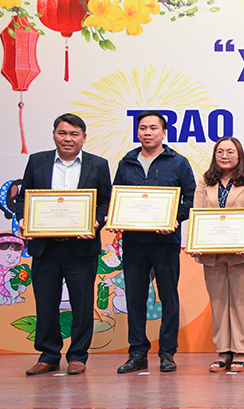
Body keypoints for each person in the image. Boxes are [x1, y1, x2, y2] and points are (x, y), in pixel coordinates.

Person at [15, 113, 112, 376]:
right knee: (46, 302)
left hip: (81, 247)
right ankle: (48, 355)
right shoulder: (37, 161)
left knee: (82, 303)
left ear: (84, 137)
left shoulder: (98, 164)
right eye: (62, 133)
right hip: (45, 246)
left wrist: (95, 222)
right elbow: (24, 198)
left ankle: (78, 356)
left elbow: (106, 201)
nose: (67, 139)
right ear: (54, 134)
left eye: (74, 134)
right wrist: (24, 218)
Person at [113, 110, 196, 374]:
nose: (147, 133)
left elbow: (191, 200)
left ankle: (167, 353)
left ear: (164, 132)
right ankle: (137, 352)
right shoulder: (126, 162)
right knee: (135, 297)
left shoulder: (178, 162)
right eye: (142, 128)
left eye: (153, 128)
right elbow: (117, 198)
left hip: (165, 241)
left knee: (168, 297)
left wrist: (174, 219)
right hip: (134, 241)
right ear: (137, 132)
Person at [193, 137, 244, 373]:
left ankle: (240, 352)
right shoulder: (205, 182)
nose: (224, 156)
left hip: (241, 253)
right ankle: (223, 351)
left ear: (239, 155)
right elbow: (198, 212)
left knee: (241, 303)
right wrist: (196, 240)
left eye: (230, 152)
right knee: (218, 303)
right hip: (212, 254)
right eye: (220, 151)